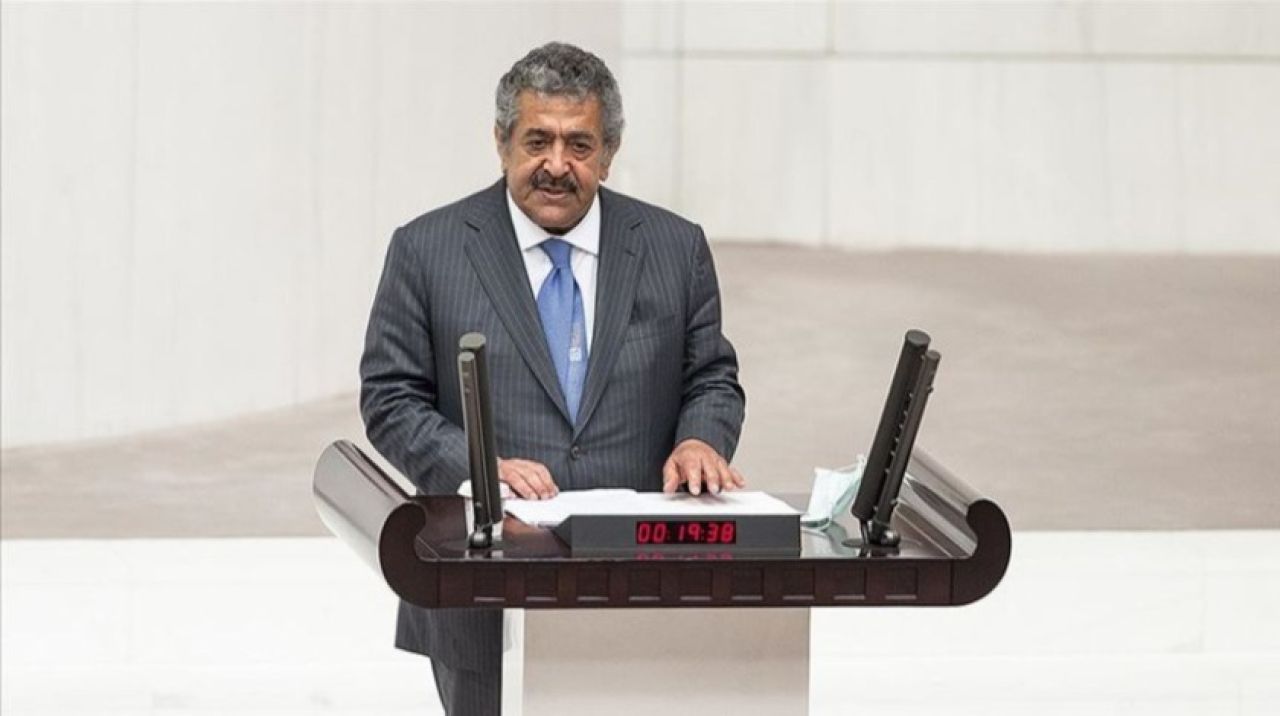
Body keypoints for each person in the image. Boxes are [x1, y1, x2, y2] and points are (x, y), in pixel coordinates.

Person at [359, 42, 746, 715]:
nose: (557, 165)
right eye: (537, 141)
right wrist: (478, 469)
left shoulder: (674, 248)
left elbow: (711, 376)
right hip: (481, 596)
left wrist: (700, 440)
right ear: (501, 141)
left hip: (641, 588)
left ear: (609, 152)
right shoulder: (426, 250)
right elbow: (391, 398)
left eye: (580, 145)